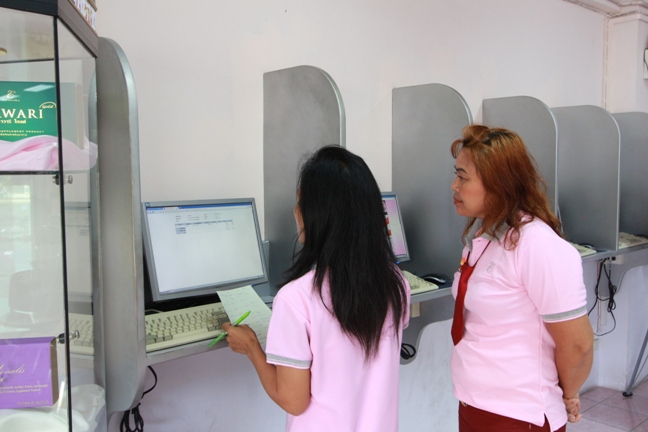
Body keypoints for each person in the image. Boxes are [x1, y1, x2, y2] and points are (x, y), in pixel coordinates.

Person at [223, 145, 410, 432]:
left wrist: (252, 348)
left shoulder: (296, 299)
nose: (296, 210)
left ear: (317, 216)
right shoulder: (396, 284)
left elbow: (293, 401)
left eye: (300, 202)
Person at [449, 125, 594, 432]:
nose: (454, 186)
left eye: (463, 177)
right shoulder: (486, 237)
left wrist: (567, 394)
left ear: (498, 183)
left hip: (519, 415)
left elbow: (578, 344)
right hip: (475, 405)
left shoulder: (536, 244)